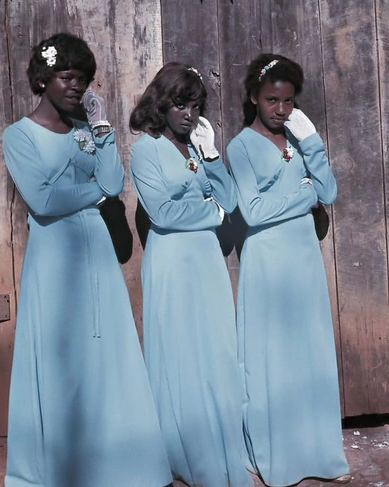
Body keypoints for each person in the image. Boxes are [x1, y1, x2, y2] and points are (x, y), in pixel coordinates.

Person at [3, 33, 173, 487]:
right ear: (43, 79)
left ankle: (114, 462)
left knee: (104, 351)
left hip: (97, 252)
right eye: (67, 77)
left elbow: (114, 181)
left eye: (83, 79)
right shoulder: (18, 135)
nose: (77, 86)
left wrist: (102, 131)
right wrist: (95, 191)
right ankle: (66, 467)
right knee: (63, 356)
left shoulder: (85, 131)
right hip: (53, 259)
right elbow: (43, 201)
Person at [226, 54, 350, 487]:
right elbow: (254, 211)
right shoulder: (240, 146)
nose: (281, 110)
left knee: (309, 353)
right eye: (271, 100)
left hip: (303, 259)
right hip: (267, 261)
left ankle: (319, 453)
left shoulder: (299, 139)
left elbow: (328, 192)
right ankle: (277, 457)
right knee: (272, 358)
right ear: (253, 98)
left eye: (288, 101)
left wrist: (312, 143)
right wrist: (303, 195)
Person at [129, 62, 252, 487]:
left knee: (215, 350)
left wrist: (212, 155)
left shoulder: (197, 147)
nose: (189, 114)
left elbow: (231, 199)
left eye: (196, 106)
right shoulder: (145, 149)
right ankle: (184, 450)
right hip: (171, 262)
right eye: (180, 105)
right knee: (180, 353)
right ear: (161, 104)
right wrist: (211, 212)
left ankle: (221, 442)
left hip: (206, 261)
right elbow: (163, 213)